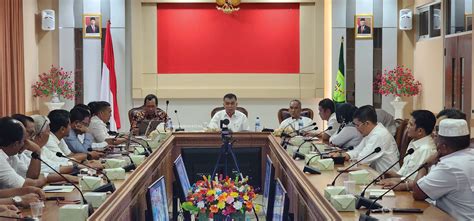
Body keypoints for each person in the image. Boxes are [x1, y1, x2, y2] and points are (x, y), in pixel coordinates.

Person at [412, 119, 474, 220]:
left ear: (443, 147)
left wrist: (424, 165)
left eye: (436, 138)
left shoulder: (450, 166)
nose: (434, 140)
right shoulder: (470, 155)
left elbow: (418, 192)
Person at [378, 110, 437, 191]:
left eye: (411, 124)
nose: (407, 126)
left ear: (420, 131)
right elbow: (406, 175)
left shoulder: (426, 149)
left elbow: (416, 182)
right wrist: (395, 175)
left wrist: (395, 180)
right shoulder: (414, 142)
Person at [331, 105, 399, 173]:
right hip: (376, 175)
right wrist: (345, 155)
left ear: (367, 123)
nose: (356, 129)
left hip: (389, 179)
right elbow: (358, 150)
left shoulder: (379, 135)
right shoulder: (371, 132)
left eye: (357, 125)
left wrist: (348, 156)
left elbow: (362, 159)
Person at [0, 117, 47, 189]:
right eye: (24, 141)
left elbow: (31, 177)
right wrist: (45, 179)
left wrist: (37, 150)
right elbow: (27, 185)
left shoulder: (12, 155)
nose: (27, 143)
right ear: (15, 144)